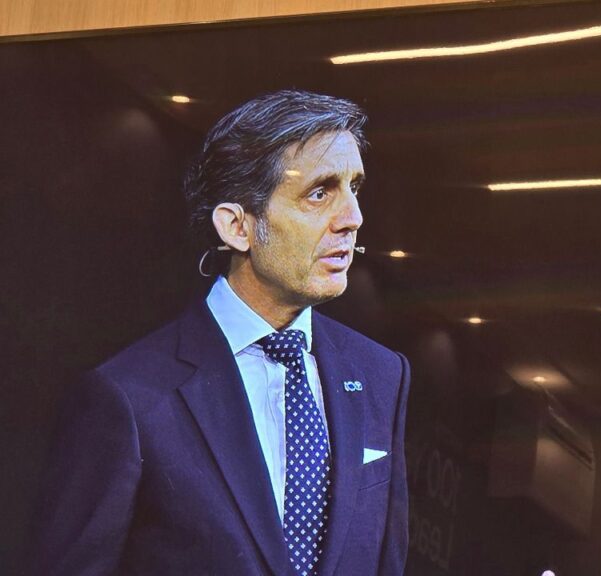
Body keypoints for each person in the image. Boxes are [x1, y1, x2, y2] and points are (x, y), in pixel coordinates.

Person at [28, 90, 409, 576]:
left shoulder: (381, 375)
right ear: (236, 227)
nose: (353, 218)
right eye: (320, 193)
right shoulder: (127, 398)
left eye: (354, 187)